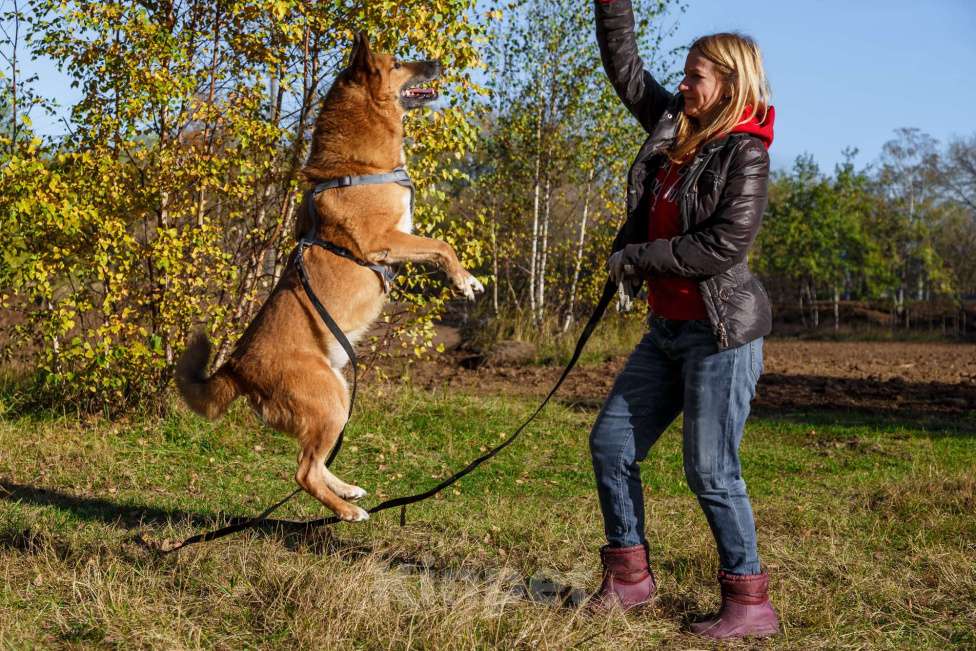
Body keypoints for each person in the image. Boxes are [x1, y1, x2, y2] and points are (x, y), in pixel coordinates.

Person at [587, 0, 780, 640]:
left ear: (728, 82)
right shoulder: (675, 125)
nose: (683, 83)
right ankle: (629, 580)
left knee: (711, 471)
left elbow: (723, 245)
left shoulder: (745, 155)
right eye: (685, 72)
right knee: (611, 445)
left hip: (719, 335)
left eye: (696, 75)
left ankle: (750, 603)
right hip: (667, 331)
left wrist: (637, 256)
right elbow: (627, 70)